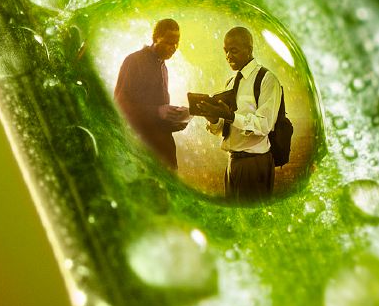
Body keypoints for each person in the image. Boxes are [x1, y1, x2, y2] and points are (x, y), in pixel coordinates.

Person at [200, 26, 282, 200]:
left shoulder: (266, 79)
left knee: (253, 221)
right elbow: (223, 129)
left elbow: (264, 124)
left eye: (234, 50)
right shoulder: (230, 83)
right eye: (226, 51)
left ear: (249, 50)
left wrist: (230, 116)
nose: (228, 56)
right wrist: (213, 118)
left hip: (254, 163)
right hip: (232, 162)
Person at [114, 19, 189, 168]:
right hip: (143, 151)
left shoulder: (164, 67)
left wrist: (174, 121)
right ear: (155, 38)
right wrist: (157, 111)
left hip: (164, 150)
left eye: (176, 43)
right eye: (168, 42)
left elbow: (157, 114)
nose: (173, 48)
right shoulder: (134, 61)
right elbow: (120, 105)